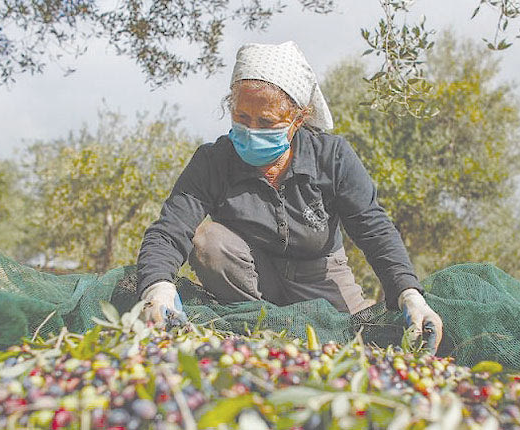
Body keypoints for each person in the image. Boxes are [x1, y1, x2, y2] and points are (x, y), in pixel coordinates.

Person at [136, 41, 443, 352]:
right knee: (208, 241)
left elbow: (374, 229)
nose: (252, 130)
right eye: (242, 118)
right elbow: (170, 229)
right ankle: (258, 324)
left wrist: (408, 293)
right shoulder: (213, 161)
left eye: (266, 123)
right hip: (251, 275)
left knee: (357, 343)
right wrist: (157, 285)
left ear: (299, 118)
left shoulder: (331, 157)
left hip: (320, 272)